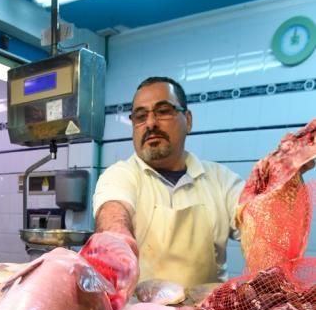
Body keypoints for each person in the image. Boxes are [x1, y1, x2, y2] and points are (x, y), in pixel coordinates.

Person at [93, 76, 246, 288]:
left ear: (188, 120)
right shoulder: (120, 175)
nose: (151, 123)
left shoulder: (221, 180)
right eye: (140, 116)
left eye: (163, 111)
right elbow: (113, 212)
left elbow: (257, 224)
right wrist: (115, 240)